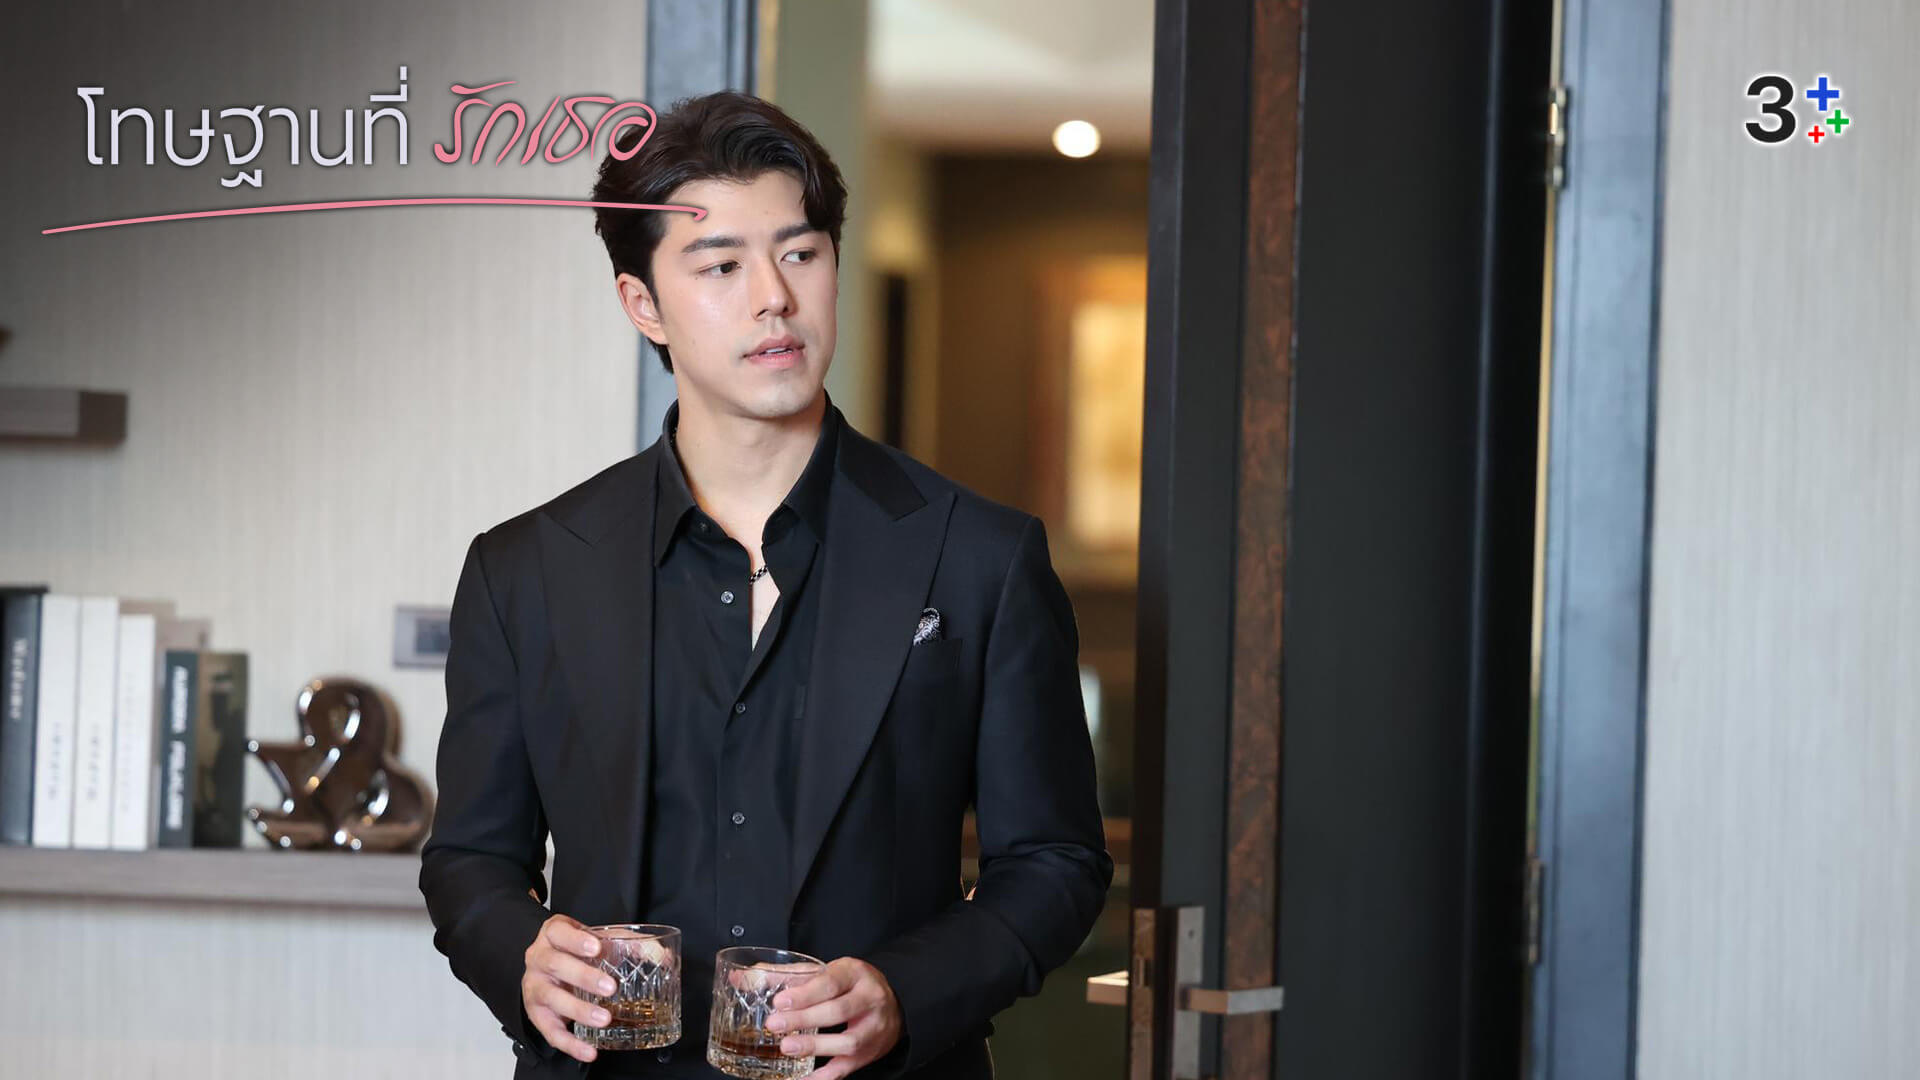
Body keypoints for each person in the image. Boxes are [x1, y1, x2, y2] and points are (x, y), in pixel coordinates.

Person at [418, 90, 1111, 1079]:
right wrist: (521, 956)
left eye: (800, 253)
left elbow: (1055, 862)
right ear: (643, 304)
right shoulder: (525, 569)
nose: (773, 297)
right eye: (721, 266)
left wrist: (906, 992)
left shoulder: (980, 558)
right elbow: (470, 860)